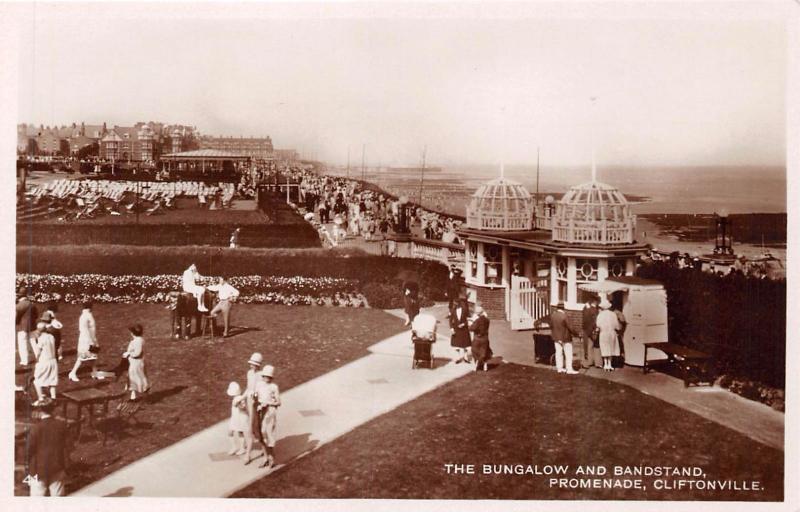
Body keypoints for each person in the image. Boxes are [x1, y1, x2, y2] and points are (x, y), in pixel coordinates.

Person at [26, 401, 69, 496]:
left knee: (37, 501)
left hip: (37, 469)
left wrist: (28, 466)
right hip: (57, 466)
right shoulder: (61, 426)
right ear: (53, 410)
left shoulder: (35, 428)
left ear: (40, 411)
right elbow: (68, 446)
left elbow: (28, 450)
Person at [254, 365, 281, 469]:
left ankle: (272, 458)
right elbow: (256, 396)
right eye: (265, 376)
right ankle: (265, 457)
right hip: (260, 411)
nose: (266, 378)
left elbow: (278, 402)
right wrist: (255, 398)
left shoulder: (274, 387)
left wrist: (268, 403)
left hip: (270, 412)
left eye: (269, 377)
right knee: (261, 435)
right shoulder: (259, 385)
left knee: (268, 435)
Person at [69, 301, 101, 382]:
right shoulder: (85, 316)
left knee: (93, 357)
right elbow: (84, 330)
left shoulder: (87, 315)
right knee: (82, 358)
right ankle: (73, 373)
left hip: (91, 338)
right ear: (90, 307)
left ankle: (95, 372)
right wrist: (91, 341)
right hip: (86, 340)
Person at [244, 352, 265, 465]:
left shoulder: (261, 375)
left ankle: (248, 454)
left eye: (253, 364)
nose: (251, 366)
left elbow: (260, 391)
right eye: (251, 363)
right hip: (248, 401)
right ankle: (262, 449)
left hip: (255, 403)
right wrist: (241, 398)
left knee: (253, 428)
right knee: (250, 427)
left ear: (258, 365)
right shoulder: (249, 373)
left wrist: (255, 396)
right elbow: (248, 388)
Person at [31, 322, 59, 405]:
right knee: (52, 381)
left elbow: (38, 353)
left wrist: (33, 342)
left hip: (44, 362)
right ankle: (54, 399)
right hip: (53, 361)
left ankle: (41, 399)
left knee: (37, 381)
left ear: (38, 330)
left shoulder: (41, 339)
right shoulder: (51, 337)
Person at [550, 301, 579, 374]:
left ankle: (559, 368)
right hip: (565, 338)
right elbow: (571, 328)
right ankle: (569, 369)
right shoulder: (565, 316)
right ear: (563, 308)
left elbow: (551, 326)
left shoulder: (553, 316)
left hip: (556, 337)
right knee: (568, 353)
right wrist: (577, 334)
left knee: (558, 353)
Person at [123, 324, 149, 400]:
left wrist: (129, 354)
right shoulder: (140, 340)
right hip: (138, 362)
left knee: (135, 378)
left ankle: (141, 392)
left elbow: (137, 353)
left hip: (135, 363)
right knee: (139, 377)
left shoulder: (137, 342)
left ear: (133, 333)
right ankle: (135, 395)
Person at [226, 381, 252, 457]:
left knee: (240, 432)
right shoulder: (237, 398)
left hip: (240, 417)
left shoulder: (240, 398)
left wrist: (240, 406)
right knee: (230, 431)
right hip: (234, 417)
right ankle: (234, 447)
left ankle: (242, 448)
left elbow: (243, 408)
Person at [596, 299, 621, 372]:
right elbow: (617, 325)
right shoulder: (613, 314)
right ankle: (610, 364)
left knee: (604, 348)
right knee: (611, 348)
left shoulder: (600, 315)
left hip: (603, 333)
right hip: (611, 333)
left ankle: (605, 364)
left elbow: (598, 325)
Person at [16, 287, 38, 367]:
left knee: (22, 344)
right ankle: (38, 357)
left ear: (19, 296)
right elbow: (36, 315)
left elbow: (16, 318)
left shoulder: (18, 306)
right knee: (34, 342)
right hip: (32, 326)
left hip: (22, 327)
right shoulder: (32, 304)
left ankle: (24, 361)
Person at [469, 305, 492, 372]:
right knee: (484, 351)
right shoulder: (487, 320)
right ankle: (485, 366)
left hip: (477, 338)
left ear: (478, 313)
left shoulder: (477, 321)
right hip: (485, 338)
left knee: (475, 351)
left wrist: (470, 325)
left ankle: (476, 365)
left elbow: (472, 328)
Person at [449, 298, 472, 363]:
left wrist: (464, 324)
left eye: (456, 304)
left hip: (464, 329)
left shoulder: (465, 310)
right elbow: (450, 320)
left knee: (465, 344)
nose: (454, 305)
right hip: (456, 329)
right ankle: (458, 358)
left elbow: (468, 319)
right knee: (456, 345)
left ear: (459, 304)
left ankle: (466, 357)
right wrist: (451, 328)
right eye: (454, 304)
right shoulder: (452, 310)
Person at [581, 296, 600, 369]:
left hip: (587, 330)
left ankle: (590, 361)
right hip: (593, 330)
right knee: (595, 346)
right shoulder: (595, 310)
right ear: (595, 302)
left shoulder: (586, 309)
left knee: (589, 346)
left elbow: (585, 321)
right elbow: (594, 321)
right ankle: (596, 362)